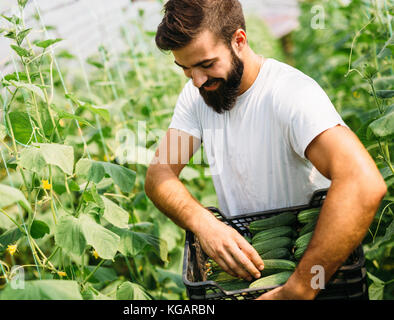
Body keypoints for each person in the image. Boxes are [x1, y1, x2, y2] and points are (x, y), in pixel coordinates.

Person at [144, 0, 387, 299]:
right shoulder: (195, 96)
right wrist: (203, 223)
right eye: (185, 68)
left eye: (206, 64)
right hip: (257, 268)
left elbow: (363, 183)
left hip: (316, 267)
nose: (197, 80)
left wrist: (299, 289)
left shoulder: (291, 95)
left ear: (239, 40)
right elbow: (160, 174)